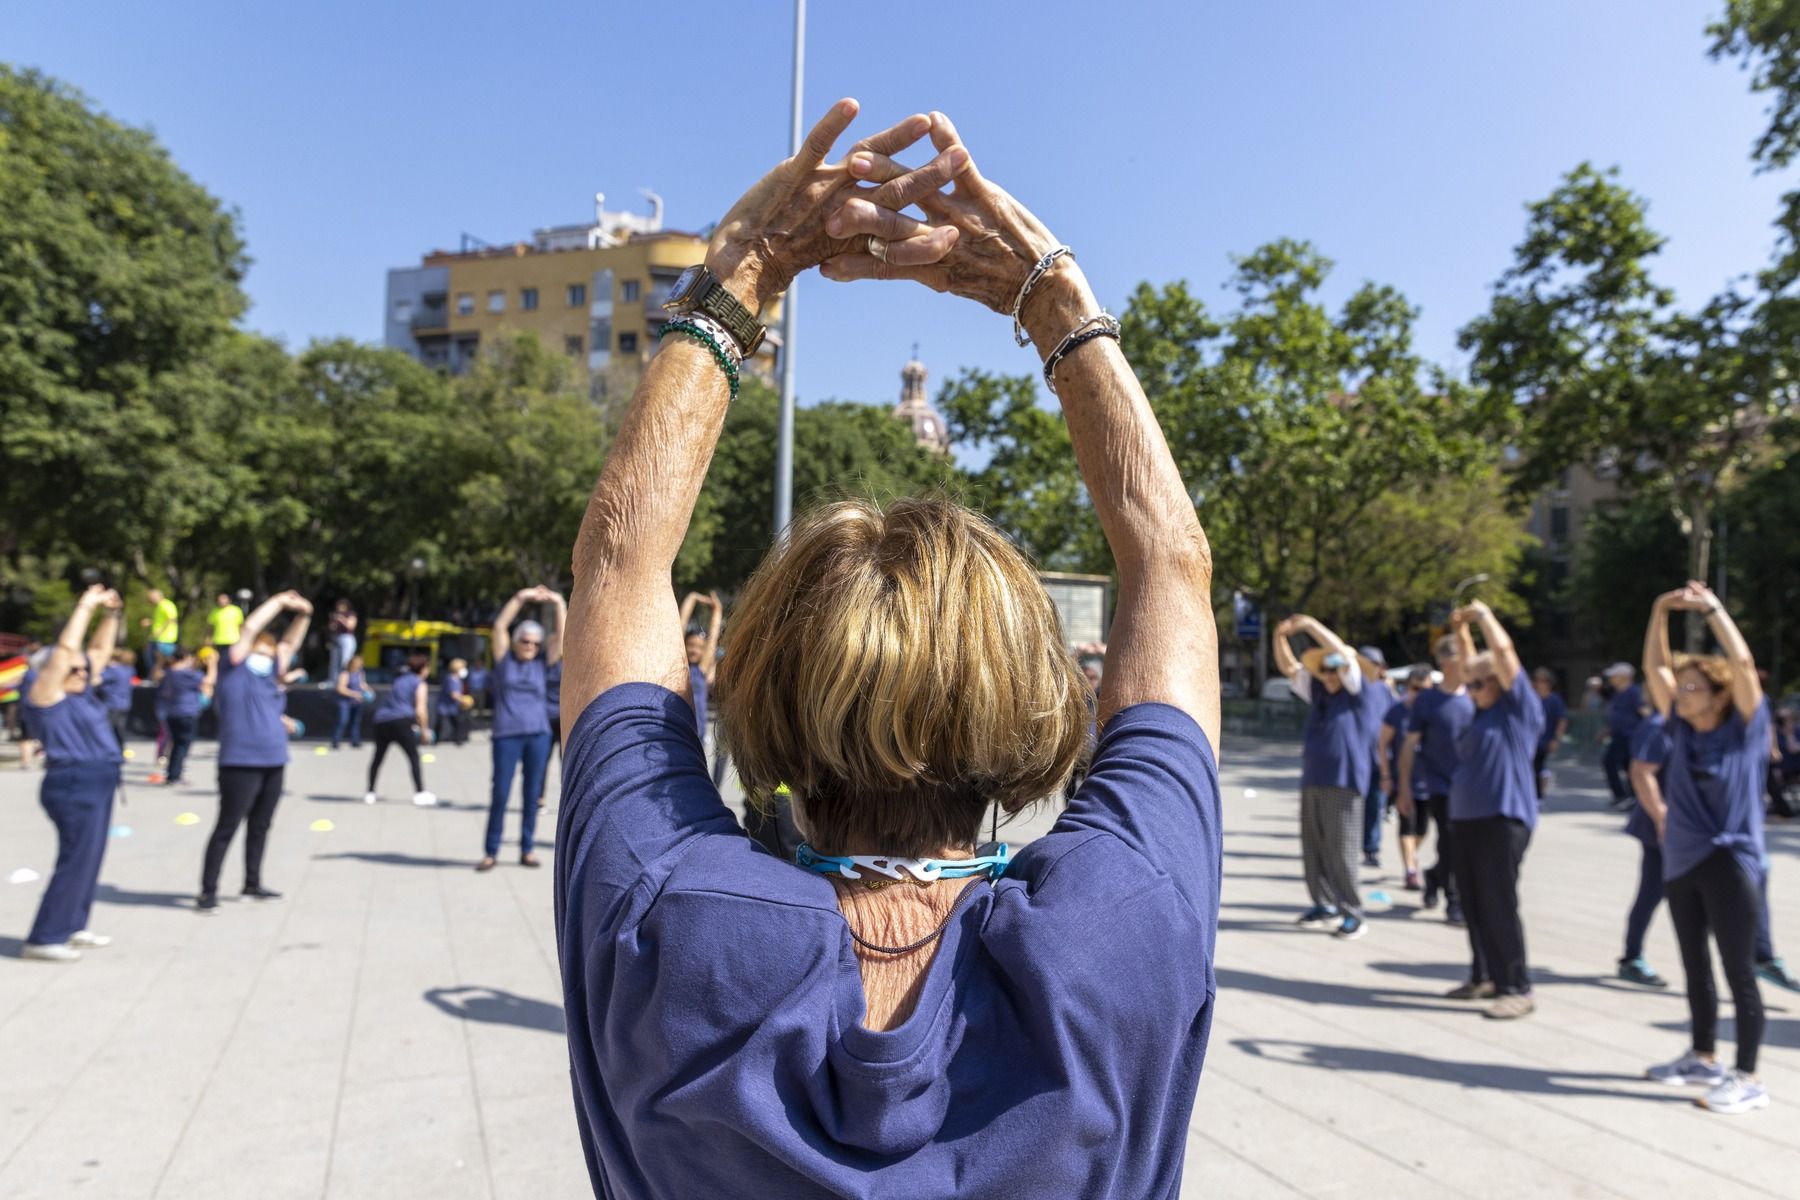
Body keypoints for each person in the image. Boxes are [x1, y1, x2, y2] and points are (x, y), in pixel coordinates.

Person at [552, 103, 1221, 1196]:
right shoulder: (1120, 927)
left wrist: (744, 278)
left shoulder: (666, 922)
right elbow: (1170, 566)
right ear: (1038, 699)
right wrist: (1058, 305)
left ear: (762, 688)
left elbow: (620, 566)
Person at [1639, 582, 1769, 1114]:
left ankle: (1749, 1077)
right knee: (1695, 966)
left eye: (1692, 688)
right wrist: (1659, 609)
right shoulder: (1680, 728)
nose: (1681, 693)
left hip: (1730, 861)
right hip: (1682, 860)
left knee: (1738, 969)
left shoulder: (1745, 730)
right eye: (1682, 687)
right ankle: (1702, 1056)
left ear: (1718, 695)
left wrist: (1713, 610)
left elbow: (1741, 661)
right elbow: (1654, 667)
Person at [1443, 601, 1542, 1019]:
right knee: (1473, 902)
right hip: (1466, 818)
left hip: (1503, 818)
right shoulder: (1478, 711)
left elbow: (1503, 657)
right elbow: (1471, 664)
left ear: (1501, 683)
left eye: (1485, 682)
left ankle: (1516, 986)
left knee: (1499, 902)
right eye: (1474, 683)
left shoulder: (1518, 710)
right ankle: (1484, 976)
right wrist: (1461, 629)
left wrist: (1483, 617)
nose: (1477, 686)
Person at [18, 586, 124, 962]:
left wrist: (111, 615)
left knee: (90, 858)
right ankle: (44, 937)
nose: (83, 671)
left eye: (83, 669)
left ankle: (72, 925)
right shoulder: (45, 696)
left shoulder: (78, 692)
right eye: (74, 669)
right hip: (73, 782)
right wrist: (85, 606)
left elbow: (96, 653)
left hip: (97, 779)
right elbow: (66, 653)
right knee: (76, 859)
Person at [198, 590, 311, 913]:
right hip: (239, 761)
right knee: (227, 826)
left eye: (269, 651)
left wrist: (304, 615)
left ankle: (252, 882)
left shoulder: (271, 681)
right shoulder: (234, 672)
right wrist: (279, 603)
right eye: (261, 650)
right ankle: (208, 892)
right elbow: (248, 629)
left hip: (274, 759)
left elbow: (289, 645)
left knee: (261, 825)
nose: (267, 655)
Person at [1272, 614, 1374, 940]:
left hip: (1343, 779)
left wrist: (1308, 626)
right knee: (1314, 846)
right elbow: (1289, 667)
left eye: (1334, 669)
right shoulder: (1318, 691)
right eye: (1325, 670)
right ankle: (1325, 904)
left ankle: (1353, 911)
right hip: (1314, 776)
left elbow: (1342, 653)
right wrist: (1279, 636)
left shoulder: (1355, 690)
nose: (1329, 675)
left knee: (1341, 847)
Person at [480, 586, 565, 872]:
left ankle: (527, 848)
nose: (530, 646)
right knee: (500, 794)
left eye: (534, 643)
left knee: (531, 796)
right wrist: (521, 597)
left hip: (538, 735)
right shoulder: (505, 662)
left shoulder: (543, 664)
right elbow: (500, 625)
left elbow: (562, 638)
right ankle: (491, 850)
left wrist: (557, 601)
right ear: (516, 642)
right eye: (525, 641)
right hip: (506, 734)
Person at [1399, 635, 1473, 925]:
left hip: (1472, 787)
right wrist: (1403, 786)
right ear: (1445, 661)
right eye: (1461, 654)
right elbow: (1408, 745)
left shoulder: (1475, 697)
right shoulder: (1428, 701)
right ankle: (1454, 902)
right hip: (1440, 785)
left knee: (1464, 845)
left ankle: (1433, 875)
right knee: (1450, 838)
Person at [1620, 713, 1674, 988]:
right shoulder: (1658, 725)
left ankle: (1748, 958)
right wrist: (1661, 817)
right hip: (1662, 830)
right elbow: (1640, 771)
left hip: (1691, 829)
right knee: (1651, 892)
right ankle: (1631, 957)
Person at [1380, 666, 1433, 890]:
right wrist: (1385, 776)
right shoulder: (1397, 711)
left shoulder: (1434, 711)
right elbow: (1382, 744)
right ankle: (1410, 870)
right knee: (1407, 825)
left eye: (1425, 690)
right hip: (1404, 780)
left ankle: (1412, 857)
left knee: (1422, 829)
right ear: (1407, 688)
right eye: (1415, 689)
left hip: (1430, 782)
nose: (1419, 694)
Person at [364, 650, 435, 806]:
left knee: (378, 757)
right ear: (423, 669)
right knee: (413, 757)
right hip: (402, 721)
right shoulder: (419, 683)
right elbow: (420, 710)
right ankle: (420, 793)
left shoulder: (399, 680)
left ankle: (370, 792)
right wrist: (424, 730)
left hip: (382, 720)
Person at [1357, 646, 1395, 868]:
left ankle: (1371, 848)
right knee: (1352, 807)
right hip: (1355, 759)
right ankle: (1348, 846)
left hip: (1379, 758)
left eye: (1377, 664)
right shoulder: (1352, 687)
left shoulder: (1385, 691)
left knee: (1375, 804)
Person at [149, 649, 208, 786]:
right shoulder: (188, 675)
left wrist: (160, 661)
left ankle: (172, 773)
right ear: (186, 658)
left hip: (171, 712)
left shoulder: (168, 672)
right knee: (182, 745)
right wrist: (212, 665)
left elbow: (155, 675)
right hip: (186, 712)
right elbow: (209, 681)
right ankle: (175, 775)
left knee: (175, 744)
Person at [678, 591, 723, 745]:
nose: (694, 650)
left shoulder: (701, 670)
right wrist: (692, 598)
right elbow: (681, 624)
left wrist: (717, 611)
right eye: (690, 645)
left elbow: (713, 638)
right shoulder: (679, 666)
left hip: (696, 734)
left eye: (699, 647)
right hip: (676, 731)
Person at [1601, 661, 1647, 811]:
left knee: (1627, 767)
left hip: (1630, 737)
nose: (1612, 679)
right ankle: (1625, 796)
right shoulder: (1617, 693)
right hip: (1618, 736)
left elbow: (1644, 713)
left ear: (1624, 677)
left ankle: (1631, 797)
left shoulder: (1634, 692)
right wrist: (1607, 730)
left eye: (1615, 676)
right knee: (1618, 765)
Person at [1531, 667, 1568, 800]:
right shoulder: (1531, 698)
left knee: (1537, 767)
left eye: (1543, 680)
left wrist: (1556, 739)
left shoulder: (1555, 700)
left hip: (1545, 740)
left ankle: (1538, 796)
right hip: (1530, 739)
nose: (1539, 683)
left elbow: (1562, 720)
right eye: (1537, 680)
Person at [96, 648, 136, 752]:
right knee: (120, 728)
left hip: (112, 703)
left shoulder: (113, 670)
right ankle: (120, 749)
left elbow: (97, 680)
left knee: (109, 729)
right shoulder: (130, 670)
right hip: (125, 703)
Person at [331, 654, 368, 750]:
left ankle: (355, 741)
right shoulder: (345, 674)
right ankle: (336, 741)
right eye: (358, 663)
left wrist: (368, 690)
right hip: (344, 702)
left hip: (356, 702)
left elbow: (362, 684)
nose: (360, 665)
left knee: (355, 722)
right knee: (342, 721)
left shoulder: (360, 673)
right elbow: (340, 688)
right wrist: (354, 694)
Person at [433, 657, 471, 747]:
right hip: (444, 705)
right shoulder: (450, 679)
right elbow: (453, 694)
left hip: (452, 706)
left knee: (456, 723)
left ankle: (457, 739)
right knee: (440, 723)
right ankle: (435, 740)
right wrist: (464, 700)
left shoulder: (458, 680)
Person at [140, 587, 180, 673]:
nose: (150, 599)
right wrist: (150, 622)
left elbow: (172, 619)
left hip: (165, 638)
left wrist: (161, 630)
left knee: (162, 660)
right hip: (156, 638)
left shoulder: (167, 604)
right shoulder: (158, 607)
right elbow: (160, 621)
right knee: (150, 656)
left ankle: (161, 679)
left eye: (151, 597)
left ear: (159, 596)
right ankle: (154, 677)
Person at [327, 599, 358, 690]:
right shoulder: (335, 615)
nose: (340, 608)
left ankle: (346, 682)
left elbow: (351, 626)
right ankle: (333, 681)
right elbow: (331, 628)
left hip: (346, 639)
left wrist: (342, 619)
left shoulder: (350, 615)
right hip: (336, 638)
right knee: (334, 662)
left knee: (345, 661)